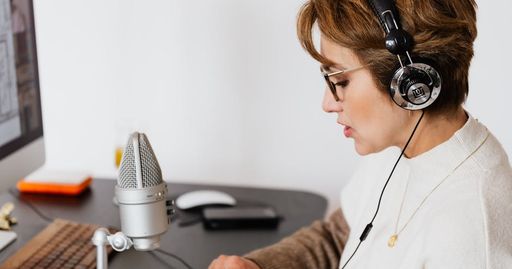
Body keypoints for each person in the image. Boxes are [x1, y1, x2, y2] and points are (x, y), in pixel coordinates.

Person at [208, 0, 512, 268]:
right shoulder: (400, 145)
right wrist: (257, 265)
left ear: (408, 81)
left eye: (340, 81)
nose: (328, 104)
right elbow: (339, 236)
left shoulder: (471, 228)